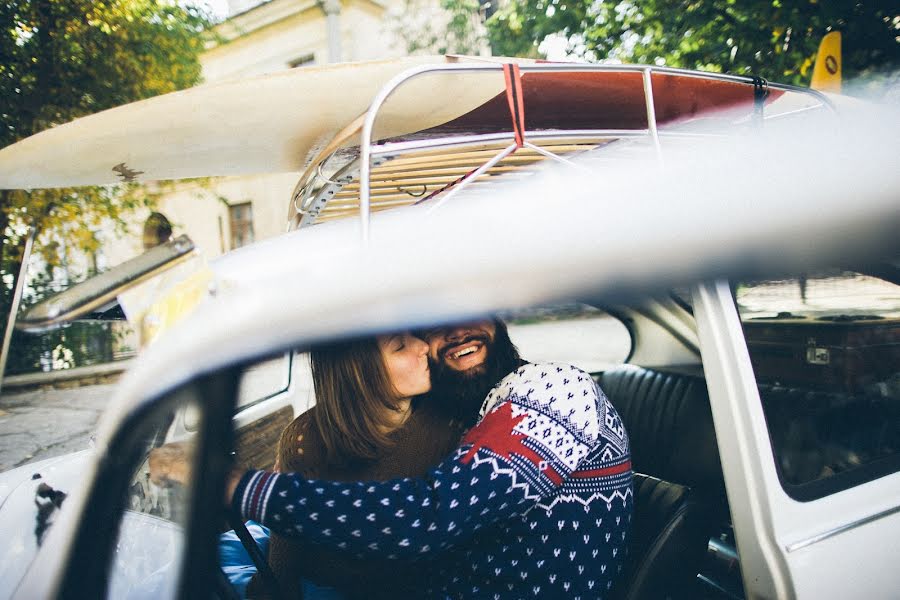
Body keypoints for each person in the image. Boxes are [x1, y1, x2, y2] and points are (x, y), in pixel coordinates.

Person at [155, 319, 634, 598]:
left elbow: (427, 519)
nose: (450, 334)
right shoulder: (476, 409)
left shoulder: (553, 386)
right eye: (430, 325)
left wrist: (230, 483)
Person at [243, 332, 468, 599]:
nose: (423, 346)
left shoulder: (450, 422)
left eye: (416, 335)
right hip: (328, 585)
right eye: (399, 346)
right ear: (359, 373)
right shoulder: (307, 440)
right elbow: (284, 562)